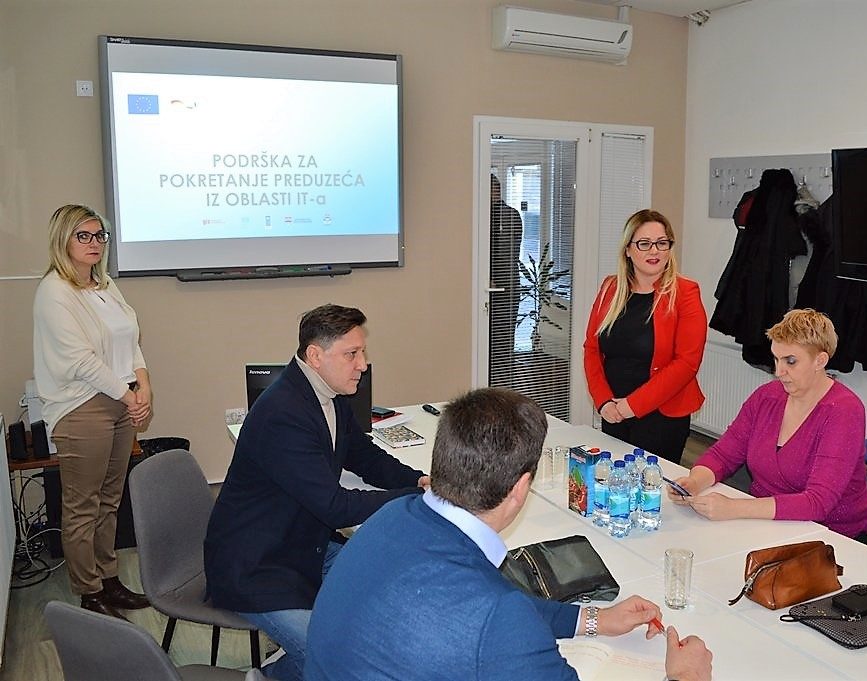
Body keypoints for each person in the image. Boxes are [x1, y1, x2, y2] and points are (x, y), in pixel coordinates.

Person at [305, 387, 712, 681]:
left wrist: (593, 619)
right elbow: (497, 614)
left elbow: (493, 605)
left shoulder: (394, 516)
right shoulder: (499, 617)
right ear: (520, 488)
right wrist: (686, 678)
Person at [204, 304, 429, 681]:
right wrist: (414, 498)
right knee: (335, 654)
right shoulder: (283, 413)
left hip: (303, 543)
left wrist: (419, 480)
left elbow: (363, 455)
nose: (362, 365)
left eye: (362, 352)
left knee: (386, 603)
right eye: (352, 354)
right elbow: (335, 507)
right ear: (315, 355)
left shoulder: (327, 394)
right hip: (257, 565)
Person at [32, 204, 152, 619]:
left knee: (109, 500)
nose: (94, 243)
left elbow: (131, 340)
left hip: (121, 399)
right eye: (83, 235)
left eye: (99, 235)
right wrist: (130, 396)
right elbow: (80, 360)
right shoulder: (54, 291)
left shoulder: (104, 284)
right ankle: (90, 592)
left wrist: (144, 385)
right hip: (82, 408)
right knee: (83, 507)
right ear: (62, 240)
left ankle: (109, 579)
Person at [670, 308, 867, 539]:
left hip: (833, 534)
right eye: (776, 359)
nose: (779, 371)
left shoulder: (844, 411)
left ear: (820, 360)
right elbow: (723, 455)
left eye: (791, 361)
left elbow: (818, 502)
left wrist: (734, 508)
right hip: (768, 522)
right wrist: (694, 482)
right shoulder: (767, 397)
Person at [583, 209, 708, 464]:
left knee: (649, 484)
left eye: (662, 243)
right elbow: (592, 348)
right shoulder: (610, 288)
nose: (654, 251)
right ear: (628, 250)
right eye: (644, 243)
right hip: (613, 410)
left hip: (661, 416)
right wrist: (604, 401)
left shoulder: (685, 292)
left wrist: (632, 405)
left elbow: (687, 363)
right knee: (610, 479)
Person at [489, 173, 524, 383]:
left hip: (500, 285)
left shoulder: (499, 216)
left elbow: (502, 253)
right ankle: (504, 378)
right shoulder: (512, 214)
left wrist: (491, 277)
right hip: (510, 283)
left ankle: (498, 380)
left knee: (497, 337)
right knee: (503, 336)